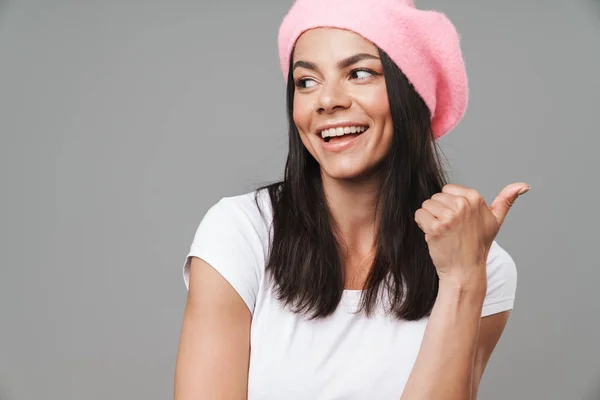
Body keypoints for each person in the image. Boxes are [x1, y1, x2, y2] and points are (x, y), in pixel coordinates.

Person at [174, 0, 530, 398]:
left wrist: (463, 279)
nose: (327, 101)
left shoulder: (483, 266)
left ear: (410, 93)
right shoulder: (240, 235)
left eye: (359, 73)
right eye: (306, 82)